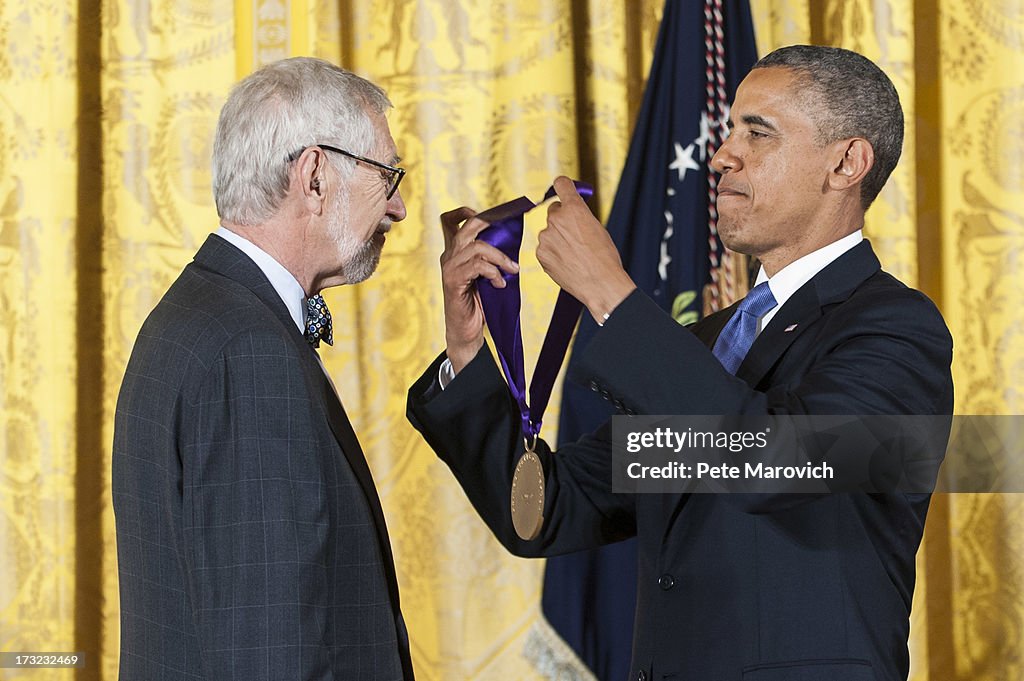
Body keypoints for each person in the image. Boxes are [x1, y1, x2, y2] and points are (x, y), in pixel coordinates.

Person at [408, 45, 953, 681]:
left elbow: (777, 467)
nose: (723, 155)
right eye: (728, 131)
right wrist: (470, 351)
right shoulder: (707, 341)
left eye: (758, 131)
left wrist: (612, 295)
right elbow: (551, 509)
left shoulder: (896, 328)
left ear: (845, 162)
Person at [113, 57, 414, 680]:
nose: (399, 208)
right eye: (387, 175)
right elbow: (269, 654)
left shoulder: (197, 317)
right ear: (313, 177)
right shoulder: (248, 354)